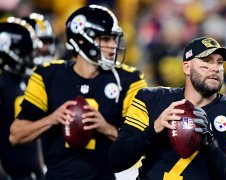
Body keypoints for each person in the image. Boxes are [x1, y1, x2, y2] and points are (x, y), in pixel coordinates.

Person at [9, 4, 147, 180]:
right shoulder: (48, 75)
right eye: (105, 39)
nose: (113, 45)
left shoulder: (129, 79)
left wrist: (106, 128)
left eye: (114, 39)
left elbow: (142, 142)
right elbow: (15, 135)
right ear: (81, 40)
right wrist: (52, 118)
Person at [109, 36, 226, 179]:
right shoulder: (150, 99)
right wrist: (154, 129)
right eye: (207, 61)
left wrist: (211, 145)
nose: (215, 68)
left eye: (220, 62)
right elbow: (116, 161)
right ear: (186, 67)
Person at [0, 17, 44, 180]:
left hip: (29, 173)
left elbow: (34, 137)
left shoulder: (26, 82)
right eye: (28, 52)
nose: (32, 58)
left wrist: (40, 170)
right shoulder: (2, 84)